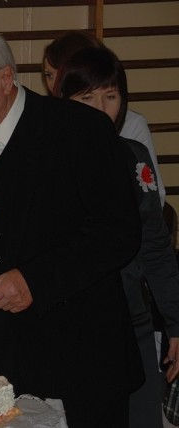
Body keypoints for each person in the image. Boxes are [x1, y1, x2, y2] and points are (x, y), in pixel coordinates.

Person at [0, 26, 144, 427]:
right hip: (7, 361)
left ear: (6, 78)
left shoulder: (80, 130)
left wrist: (35, 281)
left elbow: (118, 232)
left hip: (85, 358)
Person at [54, 46, 179, 428]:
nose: (100, 108)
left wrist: (176, 324)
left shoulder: (135, 156)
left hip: (134, 325)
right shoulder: (45, 161)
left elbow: (157, 249)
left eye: (111, 96)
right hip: (68, 331)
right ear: (62, 101)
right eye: (86, 97)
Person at [43, 30, 165, 204]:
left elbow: (153, 201)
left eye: (110, 96)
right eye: (49, 75)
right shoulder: (43, 125)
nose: (55, 84)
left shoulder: (131, 131)